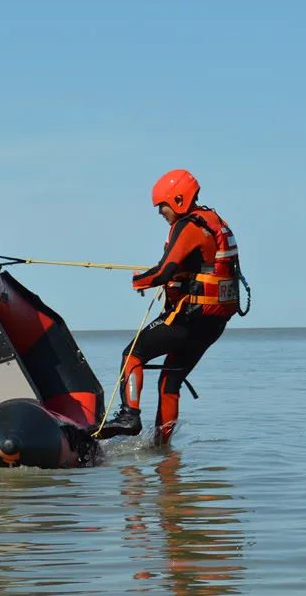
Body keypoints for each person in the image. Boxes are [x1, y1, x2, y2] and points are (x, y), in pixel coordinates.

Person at [100, 169, 243, 445]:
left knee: (132, 353)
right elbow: (196, 270)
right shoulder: (213, 222)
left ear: (178, 199)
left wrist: (138, 281)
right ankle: (163, 452)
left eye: (161, 206)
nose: (160, 213)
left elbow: (163, 272)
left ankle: (129, 416)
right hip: (213, 325)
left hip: (189, 319)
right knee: (169, 382)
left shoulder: (187, 226)